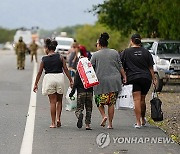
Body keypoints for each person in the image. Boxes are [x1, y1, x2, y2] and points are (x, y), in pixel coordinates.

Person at [33, 38, 73, 128]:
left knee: (52, 102)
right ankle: (58, 119)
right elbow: (65, 69)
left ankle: (53, 123)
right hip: (59, 77)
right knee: (59, 101)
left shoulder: (44, 59)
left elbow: (39, 72)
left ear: (47, 48)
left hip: (49, 78)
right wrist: (71, 80)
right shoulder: (60, 57)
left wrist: (36, 84)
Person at [90, 32, 127, 129]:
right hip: (114, 81)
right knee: (111, 103)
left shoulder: (95, 55)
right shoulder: (115, 52)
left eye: (97, 44)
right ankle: (110, 124)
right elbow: (120, 66)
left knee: (99, 101)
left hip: (101, 81)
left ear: (100, 44)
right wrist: (124, 77)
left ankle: (104, 116)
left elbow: (90, 68)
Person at [120, 33, 156, 129]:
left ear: (131, 41)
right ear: (140, 40)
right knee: (142, 99)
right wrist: (154, 79)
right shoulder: (146, 52)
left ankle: (138, 122)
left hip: (133, 78)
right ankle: (143, 119)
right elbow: (150, 67)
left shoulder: (126, 52)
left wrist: (123, 77)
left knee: (136, 99)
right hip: (146, 78)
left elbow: (120, 66)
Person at [69, 56, 93, 130]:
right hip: (89, 93)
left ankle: (80, 115)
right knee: (89, 109)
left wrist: (72, 93)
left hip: (81, 93)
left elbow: (75, 84)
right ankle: (87, 125)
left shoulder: (78, 72)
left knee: (79, 109)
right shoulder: (91, 71)